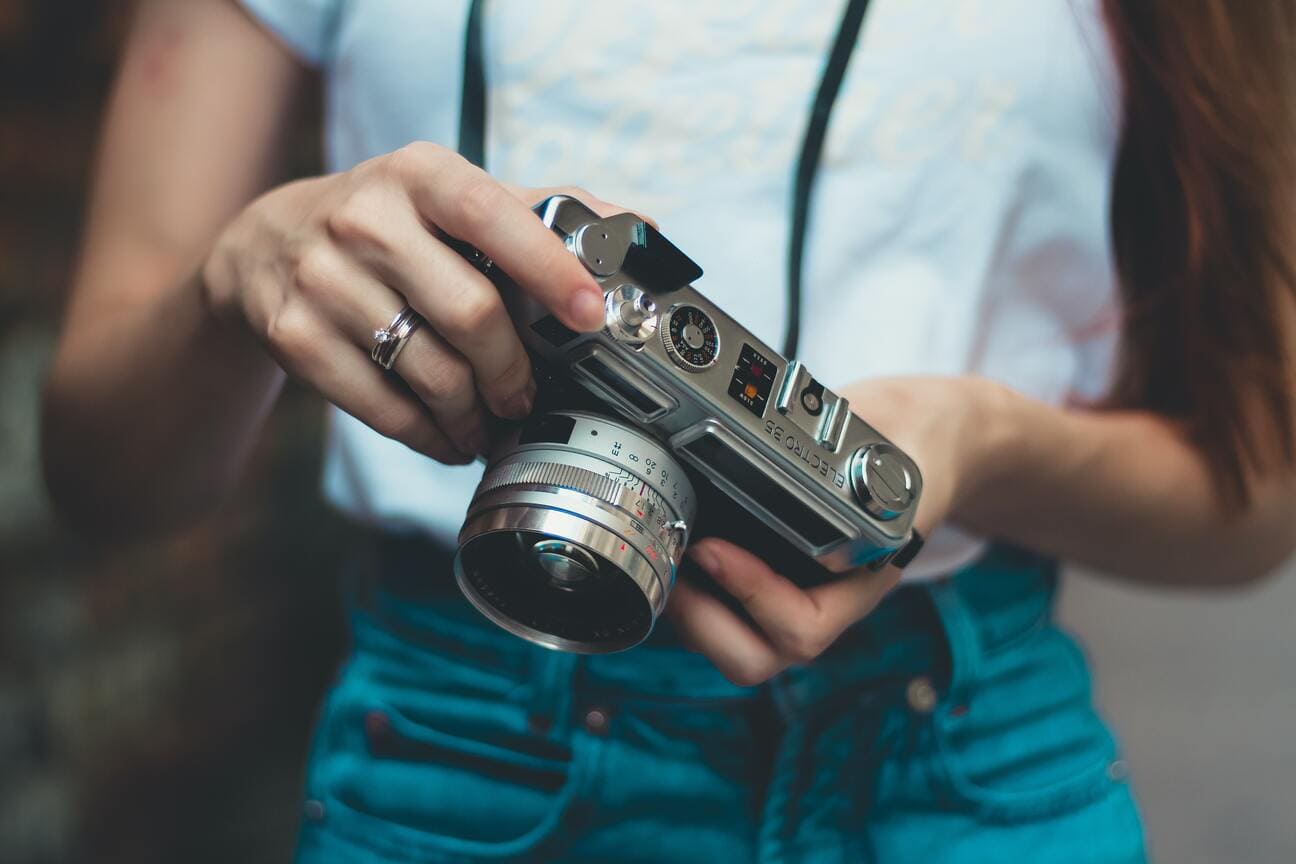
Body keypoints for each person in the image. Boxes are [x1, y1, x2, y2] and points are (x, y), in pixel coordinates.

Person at [42, 0, 1296, 861]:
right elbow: (102, 478)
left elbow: (1258, 502)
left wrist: (978, 444)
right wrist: (237, 279)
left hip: (960, 751)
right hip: (464, 735)